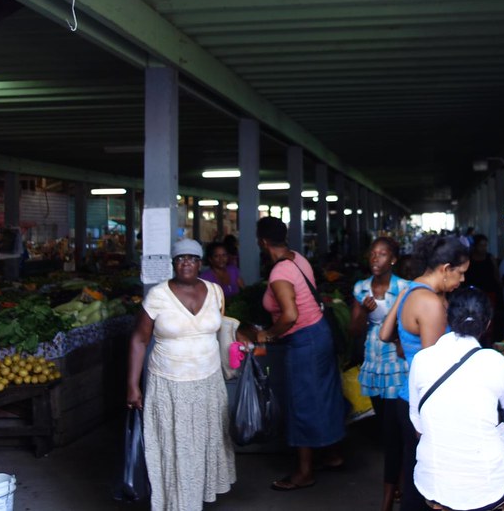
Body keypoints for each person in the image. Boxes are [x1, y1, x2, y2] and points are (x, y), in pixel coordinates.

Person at [126, 238, 235, 511]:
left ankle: (197, 495)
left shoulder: (215, 291)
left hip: (209, 380)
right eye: (181, 258)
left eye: (192, 258)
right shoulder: (158, 296)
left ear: (200, 263)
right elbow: (139, 340)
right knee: (177, 444)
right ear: (173, 263)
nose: (187, 263)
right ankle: (178, 502)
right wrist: (133, 385)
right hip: (169, 382)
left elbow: (221, 328)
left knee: (205, 440)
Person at [407, 287, 504, 511]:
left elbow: (419, 430)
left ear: (448, 318)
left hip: (434, 484)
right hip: (488, 488)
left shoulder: (421, 360)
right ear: (488, 324)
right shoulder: (495, 362)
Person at [254, 216, 346, 492]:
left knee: (302, 403)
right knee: (324, 397)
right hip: (320, 333)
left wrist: (268, 334)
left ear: (263, 242)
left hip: (305, 340)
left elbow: (290, 315)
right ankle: (333, 454)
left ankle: (304, 472)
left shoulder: (279, 273)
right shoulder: (297, 259)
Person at [379, 234, 469, 511]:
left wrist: (407, 345)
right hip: (425, 403)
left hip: (408, 396)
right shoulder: (430, 302)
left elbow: (384, 334)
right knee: (426, 488)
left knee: (415, 476)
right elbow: (434, 367)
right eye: (460, 273)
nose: (463, 279)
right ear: (445, 268)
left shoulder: (411, 289)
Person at [350, 237, 409, 511]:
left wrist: (397, 337)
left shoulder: (404, 288)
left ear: (393, 259)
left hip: (398, 362)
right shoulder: (360, 288)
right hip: (374, 363)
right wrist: (363, 310)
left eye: (382, 254)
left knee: (394, 429)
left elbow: (411, 326)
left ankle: (389, 495)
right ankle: (398, 483)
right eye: (373, 253)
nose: (376, 258)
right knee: (386, 430)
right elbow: (354, 330)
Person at [464, 234, 502, 340]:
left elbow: (496, 275)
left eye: (485, 245)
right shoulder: (469, 259)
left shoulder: (490, 258)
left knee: (489, 319)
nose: (484, 248)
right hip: (473, 295)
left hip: (489, 293)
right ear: (475, 246)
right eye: (481, 245)